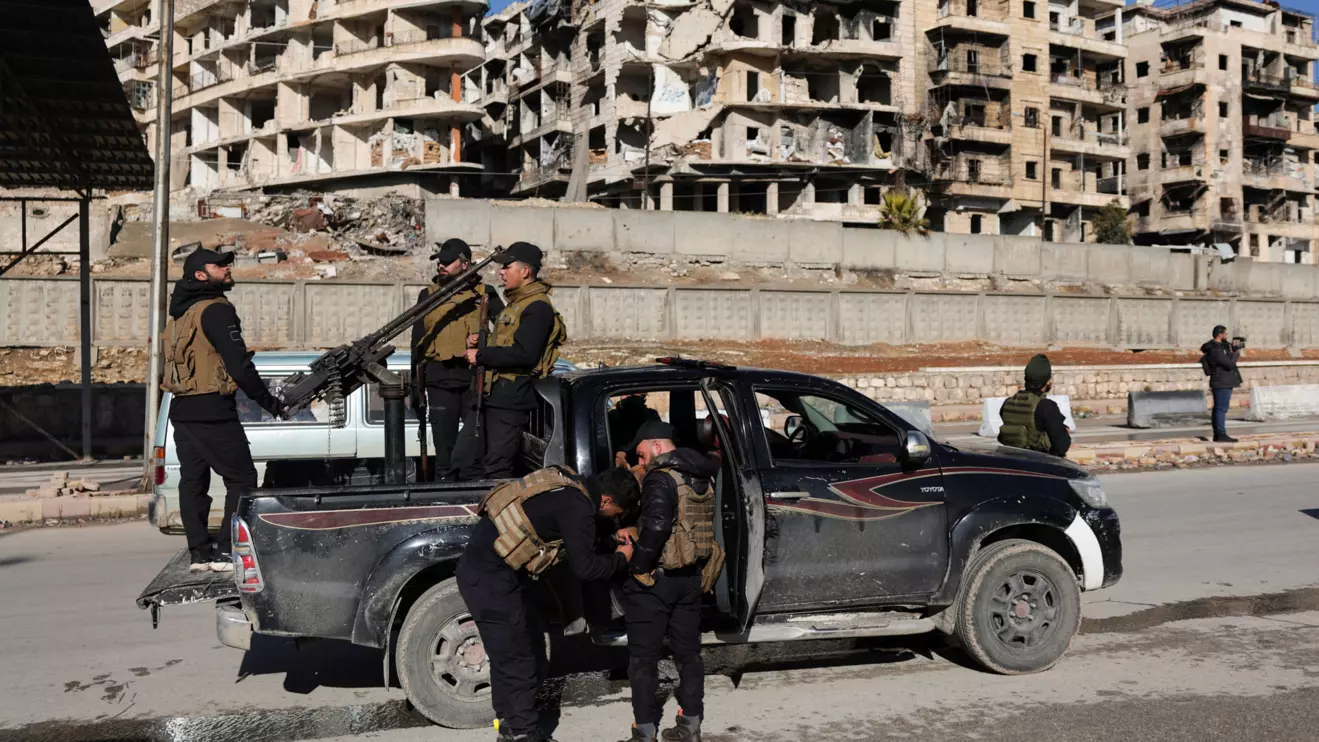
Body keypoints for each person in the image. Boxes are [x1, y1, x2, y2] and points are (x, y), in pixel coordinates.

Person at [457, 466, 640, 742]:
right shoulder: (577, 508)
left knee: (521, 649)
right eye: (619, 513)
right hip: (490, 580)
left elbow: (575, 537)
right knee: (517, 658)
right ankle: (523, 733)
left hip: (492, 573)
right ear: (606, 501)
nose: (618, 518)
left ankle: (509, 726)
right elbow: (586, 568)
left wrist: (613, 538)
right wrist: (622, 558)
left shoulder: (572, 486)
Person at [163, 248, 285, 573]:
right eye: (219, 265)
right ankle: (226, 552)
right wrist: (270, 403)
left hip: (183, 408)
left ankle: (200, 555)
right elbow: (239, 365)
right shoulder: (216, 311)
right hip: (211, 409)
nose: (227, 268)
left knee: (193, 481)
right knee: (242, 478)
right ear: (201, 275)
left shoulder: (181, 312)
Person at [619, 420, 720, 742]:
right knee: (688, 655)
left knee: (643, 660)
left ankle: (644, 731)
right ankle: (690, 725)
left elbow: (658, 526)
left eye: (642, 454)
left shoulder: (661, 478)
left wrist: (638, 566)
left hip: (657, 580)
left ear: (658, 447)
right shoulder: (702, 475)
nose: (640, 462)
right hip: (691, 578)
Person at [464, 242, 566, 479]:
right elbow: (508, 342)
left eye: (507, 267)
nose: (501, 272)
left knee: (497, 467)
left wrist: (481, 355)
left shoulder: (537, 307)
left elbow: (525, 354)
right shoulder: (518, 303)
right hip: (497, 394)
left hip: (512, 398)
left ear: (525, 271)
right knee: (473, 461)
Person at [410, 238, 504, 481]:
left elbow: (505, 334)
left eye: (448, 262)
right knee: (444, 451)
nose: (441, 266)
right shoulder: (428, 295)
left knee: (475, 448)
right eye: (439, 262)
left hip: (475, 380)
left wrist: (483, 339)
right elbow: (416, 344)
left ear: (465, 264)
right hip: (439, 381)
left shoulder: (485, 294)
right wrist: (414, 389)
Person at [997, 354, 1071, 457]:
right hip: (1038, 465)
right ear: (1047, 382)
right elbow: (1061, 446)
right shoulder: (1046, 407)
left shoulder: (1008, 403)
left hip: (1011, 462)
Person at [1201, 325, 1244, 443]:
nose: (1227, 336)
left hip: (1223, 381)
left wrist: (1233, 349)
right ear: (1219, 334)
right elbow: (1229, 364)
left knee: (1219, 409)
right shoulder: (1215, 349)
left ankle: (1219, 434)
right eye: (1225, 334)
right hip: (1221, 382)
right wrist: (1235, 352)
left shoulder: (1220, 347)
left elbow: (1228, 360)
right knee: (1221, 409)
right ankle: (1220, 434)